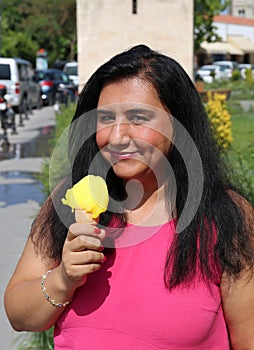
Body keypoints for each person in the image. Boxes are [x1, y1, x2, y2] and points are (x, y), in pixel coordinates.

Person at [4, 44, 254, 349]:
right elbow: (19, 316)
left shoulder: (227, 216)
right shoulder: (69, 200)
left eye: (138, 118)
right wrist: (63, 279)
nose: (118, 136)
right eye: (106, 118)